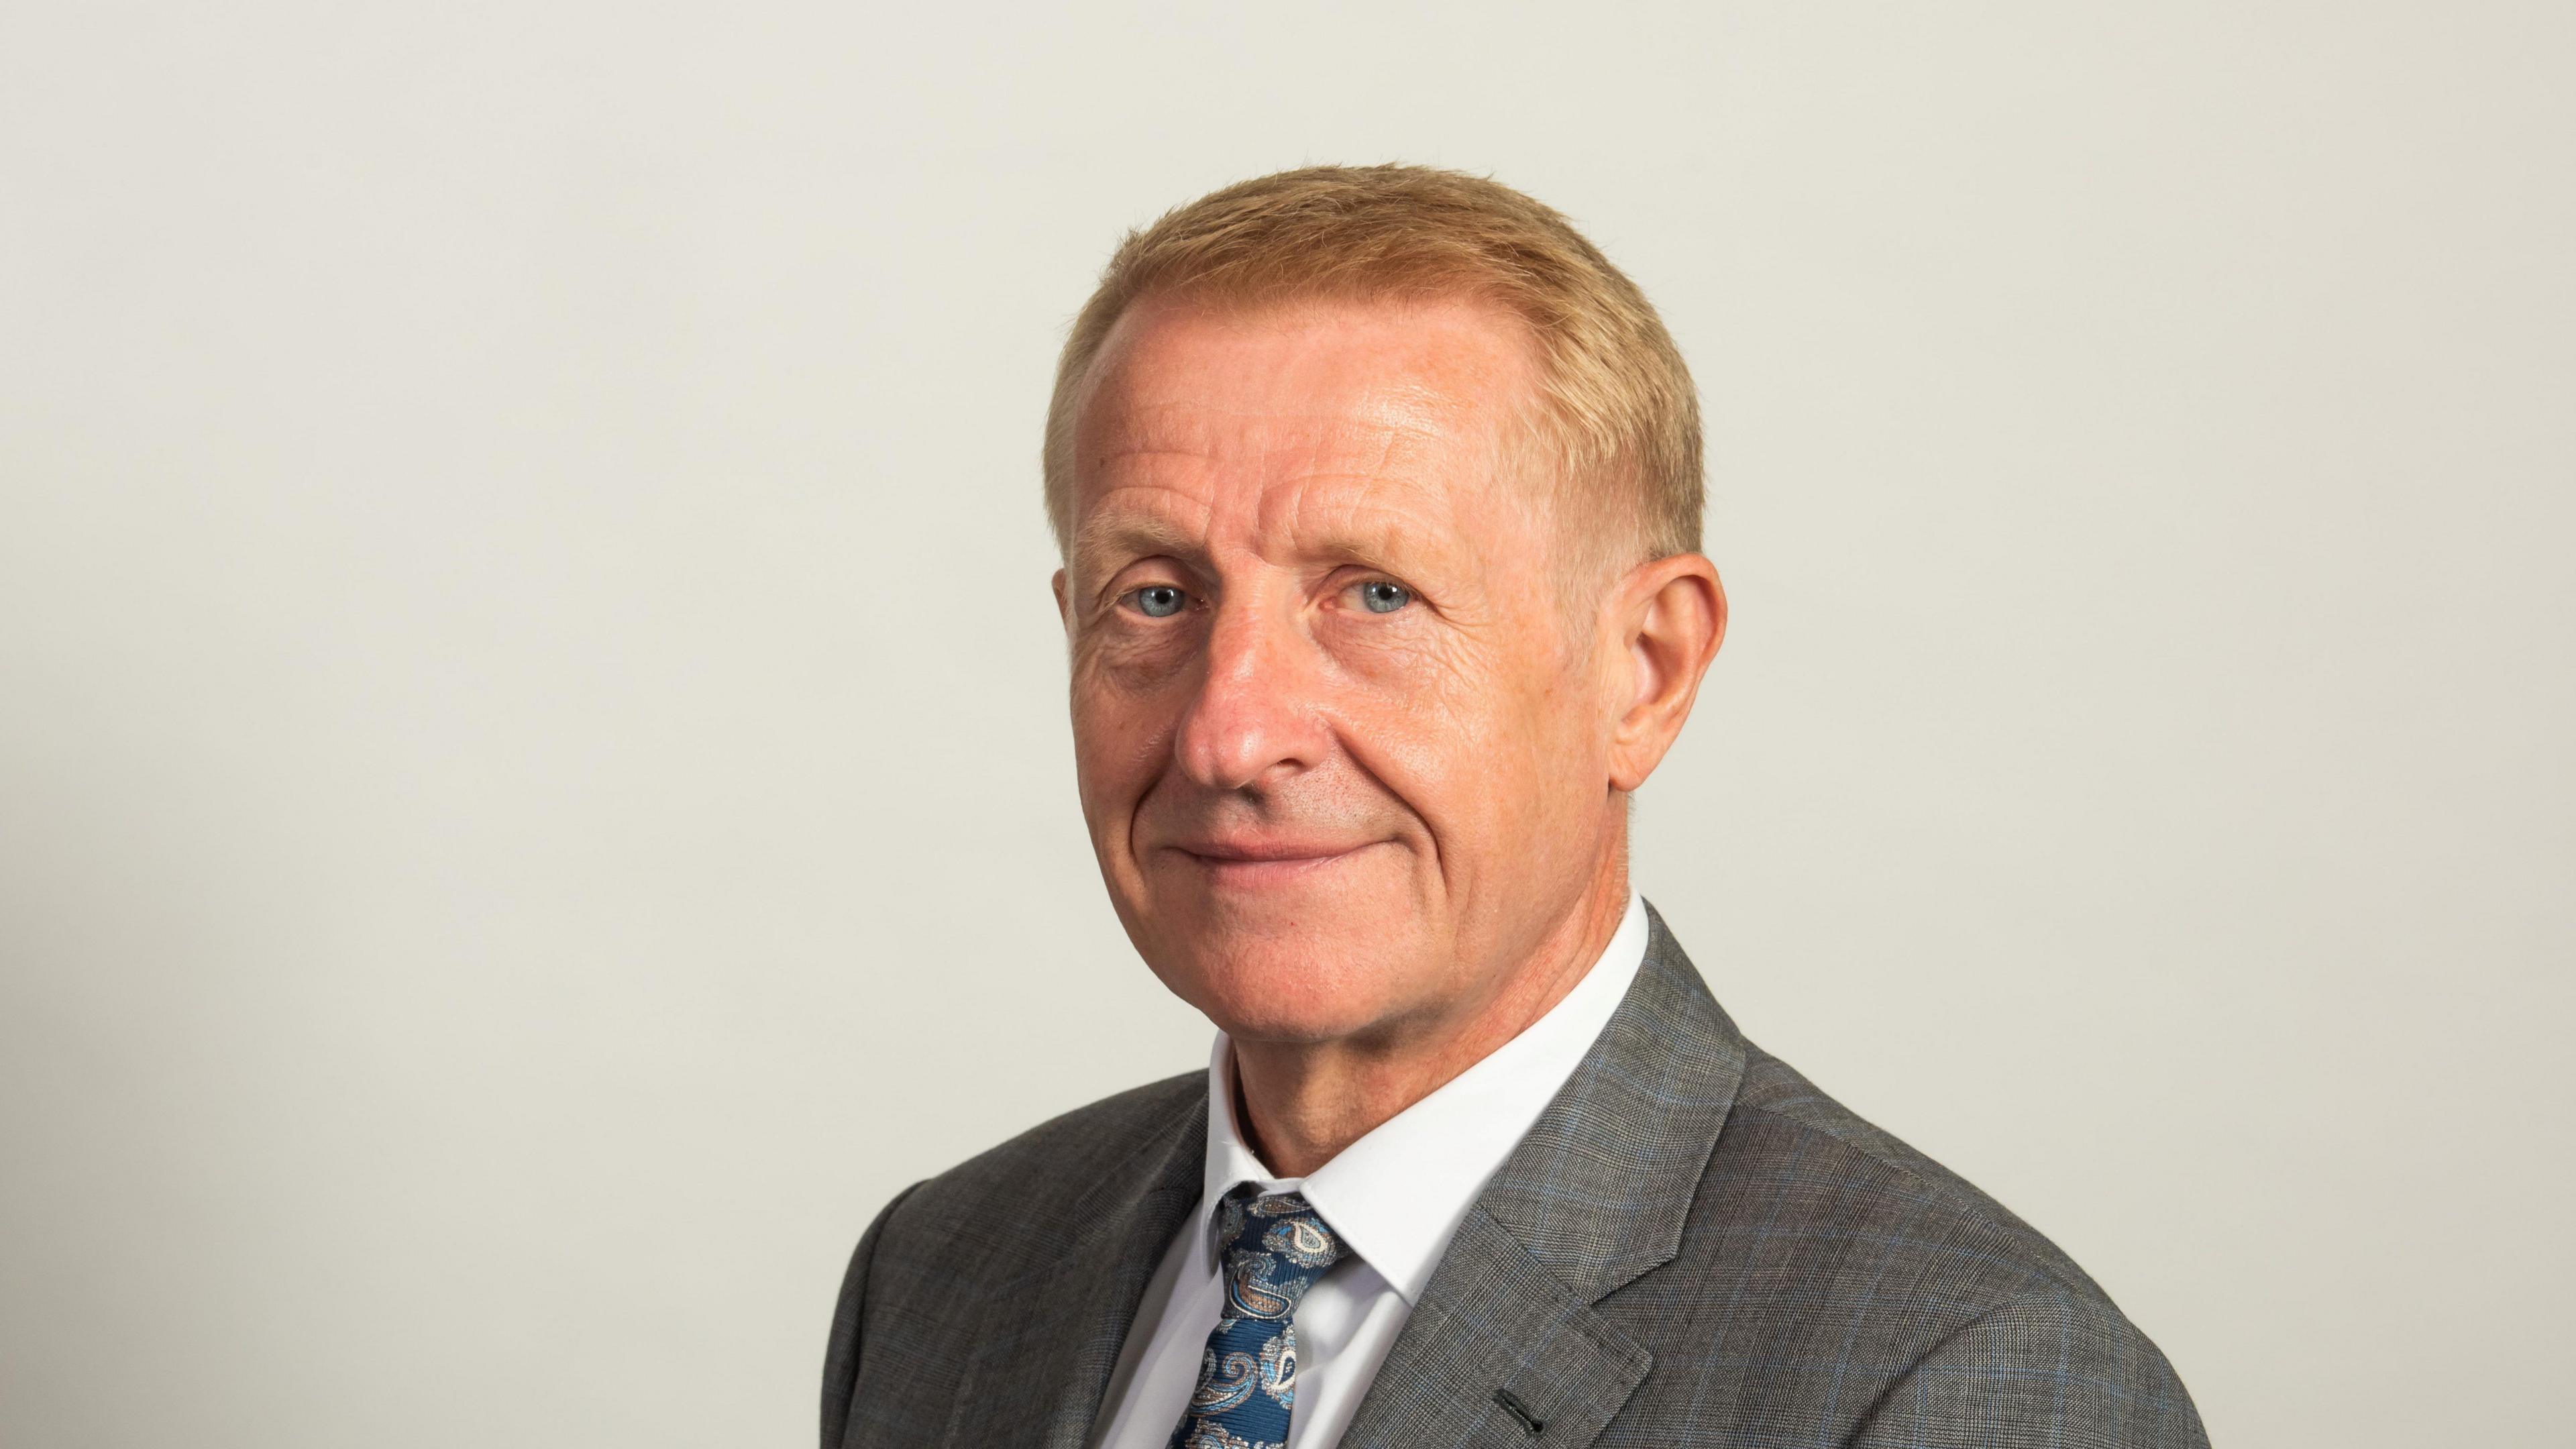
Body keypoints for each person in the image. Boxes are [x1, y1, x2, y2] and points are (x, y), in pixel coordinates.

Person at [821, 164, 2206, 1449]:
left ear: (1644, 672)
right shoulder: (946, 1276)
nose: (1230, 730)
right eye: (1157, 598)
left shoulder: (1961, 1383)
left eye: (1376, 593)